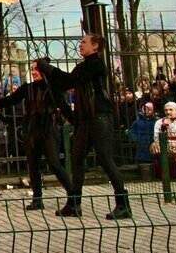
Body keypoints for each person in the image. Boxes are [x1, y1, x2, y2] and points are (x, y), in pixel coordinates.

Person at [36, 33, 131, 219]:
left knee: (105, 159)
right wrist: (47, 71)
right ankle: (73, 203)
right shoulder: (82, 66)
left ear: (95, 46)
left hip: (99, 117)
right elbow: (64, 83)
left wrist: (50, 69)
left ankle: (123, 204)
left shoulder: (96, 65)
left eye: (84, 42)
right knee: (77, 159)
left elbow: (70, 81)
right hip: (84, 120)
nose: (80, 45)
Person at [0, 58, 73, 211]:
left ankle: (73, 198)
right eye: (32, 69)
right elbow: (11, 99)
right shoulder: (27, 88)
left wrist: (74, 122)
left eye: (37, 69)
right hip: (31, 129)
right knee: (33, 165)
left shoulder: (52, 87)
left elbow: (63, 106)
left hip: (48, 128)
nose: (34, 72)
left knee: (55, 164)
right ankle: (37, 199)